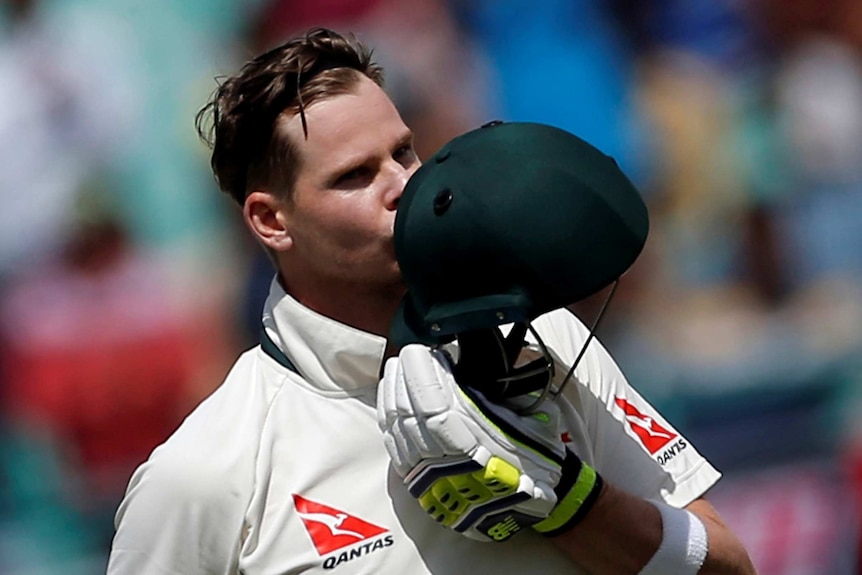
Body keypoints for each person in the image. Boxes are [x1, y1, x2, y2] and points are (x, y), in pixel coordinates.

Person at [107, 27, 756, 574]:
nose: (403, 186)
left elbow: (729, 564)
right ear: (271, 221)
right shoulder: (204, 474)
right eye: (355, 176)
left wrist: (572, 504)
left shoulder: (545, 335)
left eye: (404, 152)